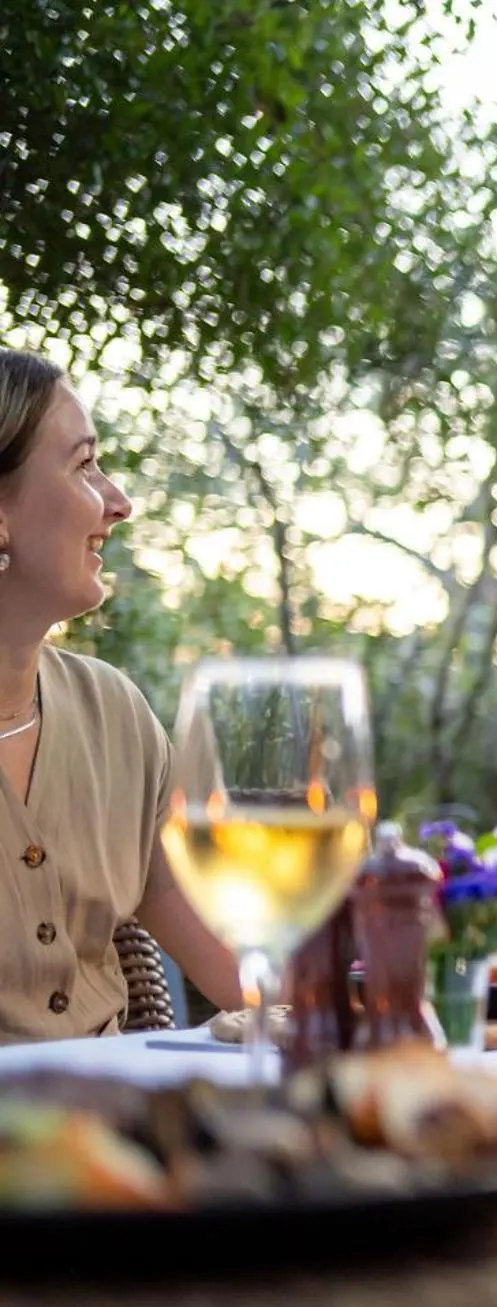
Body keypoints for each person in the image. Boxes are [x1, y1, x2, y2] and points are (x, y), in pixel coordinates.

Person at [0, 348, 241, 1041]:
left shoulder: (115, 715)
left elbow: (240, 958)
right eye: (82, 465)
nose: (119, 501)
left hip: (119, 1130)